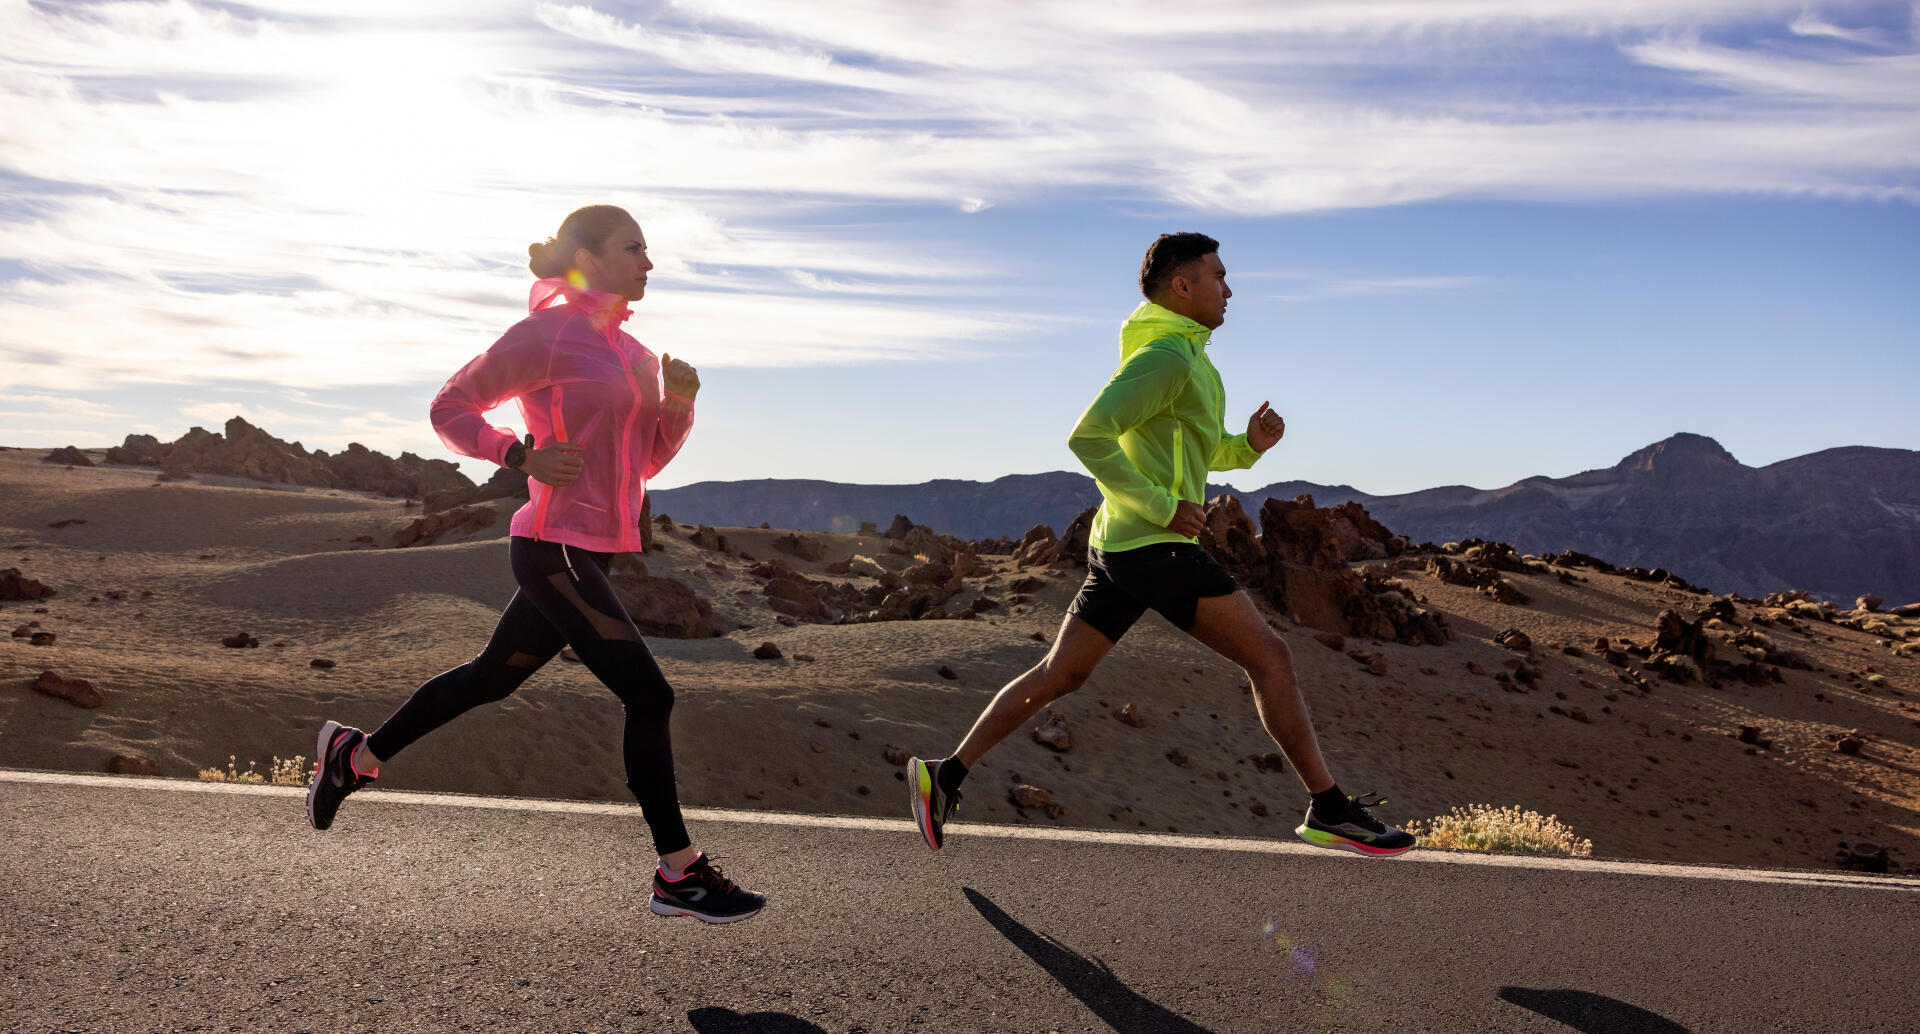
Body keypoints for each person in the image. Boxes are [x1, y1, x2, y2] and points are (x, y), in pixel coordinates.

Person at [306, 204, 765, 924]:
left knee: (489, 680)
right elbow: (450, 405)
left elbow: (641, 462)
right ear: (587, 258)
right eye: (633, 248)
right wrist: (517, 454)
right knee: (650, 697)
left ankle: (355, 756)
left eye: (649, 250)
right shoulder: (546, 335)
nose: (648, 263)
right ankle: (679, 873)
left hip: (597, 553)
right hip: (550, 547)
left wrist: (677, 407)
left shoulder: (639, 356)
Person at [908, 232, 1416, 858]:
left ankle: (945, 774)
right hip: (1152, 545)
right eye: (1219, 276)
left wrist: (1249, 445)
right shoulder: (1166, 358)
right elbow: (1087, 437)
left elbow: (1197, 455)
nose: (1230, 290)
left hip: (1121, 546)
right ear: (1183, 286)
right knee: (1272, 660)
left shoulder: (1192, 360)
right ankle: (1330, 809)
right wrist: (1160, 505)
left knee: (1060, 674)